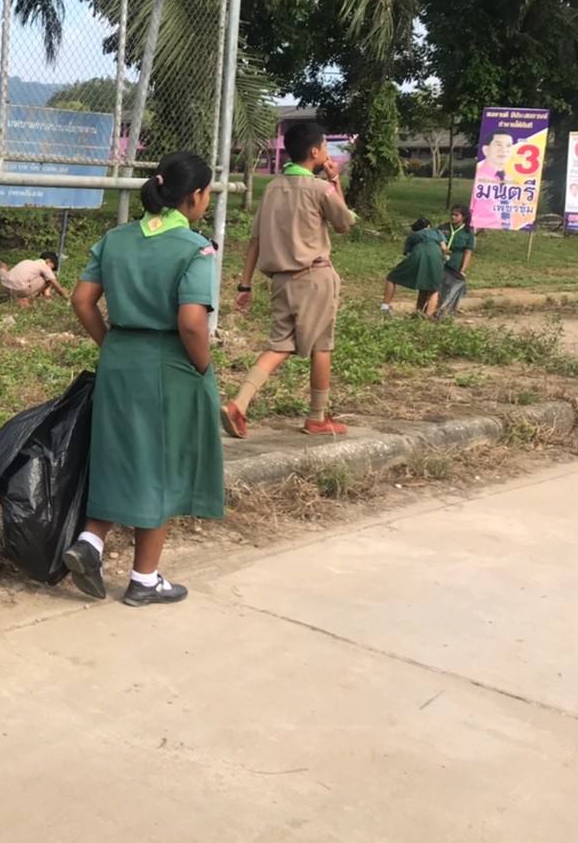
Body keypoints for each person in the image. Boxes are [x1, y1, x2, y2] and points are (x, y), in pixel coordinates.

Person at [60, 153, 224, 605]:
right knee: (162, 466)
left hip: (119, 359)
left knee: (120, 455)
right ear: (195, 196)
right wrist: (203, 366)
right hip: (169, 363)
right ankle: (144, 579)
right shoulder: (195, 248)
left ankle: (90, 542)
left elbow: (82, 300)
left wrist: (109, 343)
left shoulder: (115, 238)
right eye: (207, 193)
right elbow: (191, 322)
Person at [221, 121, 355, 440]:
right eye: (325, 146)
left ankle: (239, 403)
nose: (327, 151)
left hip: (281, 281)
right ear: (315, 152)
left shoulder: (272, 188)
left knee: (279, 344)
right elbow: (344, 223)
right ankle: (316, 418)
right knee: (322, 345)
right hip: (315, 277)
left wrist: (245, 285)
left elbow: (255, 240)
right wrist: (335, 180)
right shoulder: (320, 189)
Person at [380, 218, 446, 317]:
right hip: (436, 256)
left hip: (418, 254)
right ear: (429, 226)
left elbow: (408, 253)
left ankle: (385, 306)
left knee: (392, 277)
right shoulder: (437, 232)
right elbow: (444, 247)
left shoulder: (413, 235)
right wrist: (442, 258)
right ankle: (428, 315)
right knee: (433, 287)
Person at [434, 204, 475, 318]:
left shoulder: (468, 232)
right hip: (441, 259)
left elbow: (468, 252)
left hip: (456, 260)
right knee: (438, 284)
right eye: (452, 214)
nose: (453, 217)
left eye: (456, 215)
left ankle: (448, 312)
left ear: (464, 217)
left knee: (452, 286)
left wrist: (463, 269)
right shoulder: (443, 228)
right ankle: (435, 309)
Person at [0, 252, 67, 305]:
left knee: (2, 265)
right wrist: (65, 297)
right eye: (52, 268)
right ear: (48, 261)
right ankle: (25, 299)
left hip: (3, 285)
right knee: (47, 280)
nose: (51, 270)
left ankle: (6, 294)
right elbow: (58, 287)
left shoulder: (27, 261)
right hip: (20, 289)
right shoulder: (44, 267)